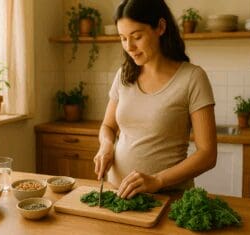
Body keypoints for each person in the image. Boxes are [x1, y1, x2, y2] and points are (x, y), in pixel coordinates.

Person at [93, 0, 217, 199]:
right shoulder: (124, 75)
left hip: (167, 198)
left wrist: (157, 180)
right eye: (123, 38)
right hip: (115, 195)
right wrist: (106, 145)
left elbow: (208, 155)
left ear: (160, 27)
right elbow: (108, 126)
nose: (129, 47)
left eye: (137, 37)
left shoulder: (192, 78)